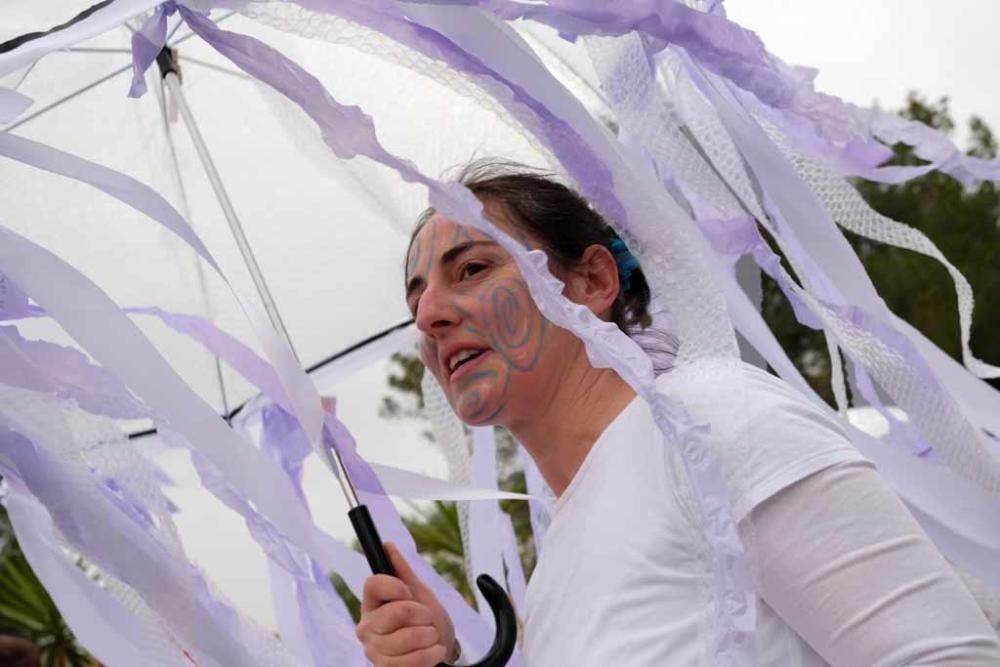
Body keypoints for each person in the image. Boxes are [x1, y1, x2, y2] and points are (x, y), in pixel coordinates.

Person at [355, 161, 1000, 665]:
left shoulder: (709, 423)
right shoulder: (550, 582)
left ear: (593, 283)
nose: (430, 315)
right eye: (416, 298)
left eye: (471, 268)